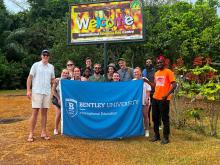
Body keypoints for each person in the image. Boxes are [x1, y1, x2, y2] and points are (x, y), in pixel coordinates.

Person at [144, 57, 177, 144]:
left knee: (164, 118)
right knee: (155, 118)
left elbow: (174, 84)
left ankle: (166, 138)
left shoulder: (168, 72)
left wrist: (166, 95)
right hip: (155, 98)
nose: (159, 64)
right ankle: (156, 136)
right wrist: (146, 82)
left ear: (164, 63)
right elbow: (155, 85)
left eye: (160, 63)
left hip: (164, 99)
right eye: (158, 63)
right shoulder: (156, 73)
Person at [26, 49, 55, 142]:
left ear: (49, 56)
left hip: (46, 92)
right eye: (44, 54)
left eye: (47, 55)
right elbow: (29, 78)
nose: (45, 56)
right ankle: (31, 133)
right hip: (37, 91)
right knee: (35, 113)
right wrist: (28, 90)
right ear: (41, 56)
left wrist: (58, 80)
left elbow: (52, 80)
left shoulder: (51, 67)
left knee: (44, 113)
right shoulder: (35, 65)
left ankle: (43, 132)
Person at [133, 67, 151, 137]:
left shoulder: (145, 79)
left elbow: (148, 90)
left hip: (144, 100)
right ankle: (138, 129)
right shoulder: (133, 81)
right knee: (137, 116)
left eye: (137, 72)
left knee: (145, 115)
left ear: (140, 72)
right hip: (137, 102)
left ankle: (147, 130)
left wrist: (147, 98)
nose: (136, 73)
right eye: (134, 72)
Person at [52, 69, 69, 135]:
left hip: (65, 100)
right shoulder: (57, 80)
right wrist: (58, 99)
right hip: (57, 99)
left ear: (68, 74)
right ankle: (56, 128)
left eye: (66, 73)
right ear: (61, 73)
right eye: (64, 73)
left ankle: (65, 128)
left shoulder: (69, 81)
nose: (65, 74)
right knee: (59, 113)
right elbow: (53, 91)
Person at [142, 58, 156, 126]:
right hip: (147, 92)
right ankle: (148, 122)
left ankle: (156, 123)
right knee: (147, 109)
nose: (148, 63)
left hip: (154, 92)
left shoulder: (155, 71)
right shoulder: (144, 71)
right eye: (147, 62)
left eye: (149, 62)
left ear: (151, 63)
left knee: (155, 109)